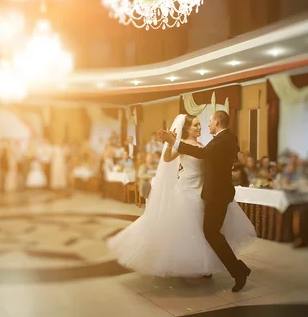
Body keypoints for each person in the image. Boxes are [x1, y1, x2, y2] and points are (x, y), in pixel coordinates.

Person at [109, 113, 255, 292]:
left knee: (209, 233)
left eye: (204, 123)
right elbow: (168, 159)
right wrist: (171, 143)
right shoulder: (222, 140)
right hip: (194, 191)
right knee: (203, 233)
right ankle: (211, 267)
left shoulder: (209, 144)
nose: (201, 127)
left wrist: (174, 141)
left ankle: (233, 269)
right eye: (196, 125)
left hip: (209, 193)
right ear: (186, 129)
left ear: (216, 122)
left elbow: (204, 154)